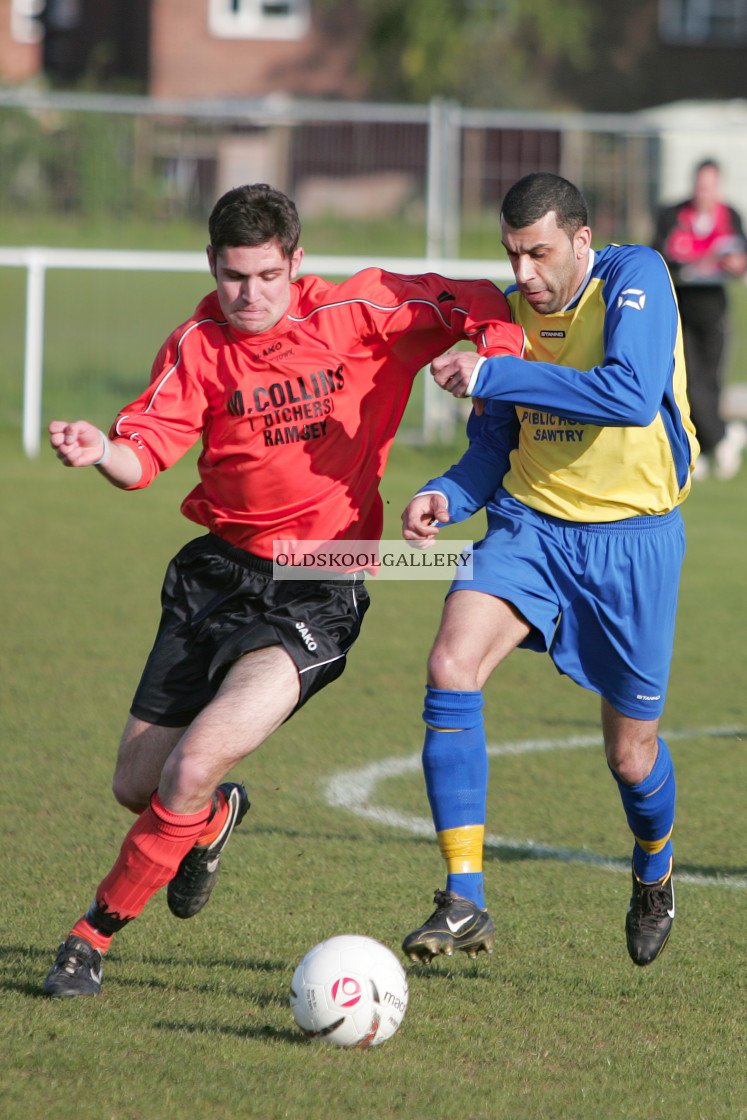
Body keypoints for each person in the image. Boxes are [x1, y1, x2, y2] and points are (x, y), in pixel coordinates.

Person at [43, 182, 525, 998]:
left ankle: (90, 938)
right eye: (235, 277)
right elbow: (143, 453)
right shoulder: (197, 343)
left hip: (318, 583)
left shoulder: (362, 310)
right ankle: (215, 818)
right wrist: (99, 450)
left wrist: (490, 359)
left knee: (190, 763)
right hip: (214, 576)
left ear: (297, 264)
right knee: (139, 785)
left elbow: (486, 303)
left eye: (268, 276)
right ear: (212, 267)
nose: (251, 295)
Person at [400, 172, 699, 969]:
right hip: (529, 528)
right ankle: (464, 896)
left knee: (631, 757)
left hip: (632, 542)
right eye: (511, 254)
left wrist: (492, 373)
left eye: (538, 253)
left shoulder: (634, 277)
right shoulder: (505, 317)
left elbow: (632, 395)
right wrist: (443, 493)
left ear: (578, 241)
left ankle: (654, 866)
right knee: (449, 663)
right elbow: (493, 447)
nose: (524, 274)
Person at [652, 159, 747, 480]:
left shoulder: (729, 215)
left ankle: (705, 447)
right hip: (681, 307)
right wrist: (692, 264)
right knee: (687, 379)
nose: (703, 191)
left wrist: (734, 263)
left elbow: (740, 255)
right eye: (699, 184)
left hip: (714, 309)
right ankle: (723, 438)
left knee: (711, 379)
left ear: (718, 187)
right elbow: (660, 255)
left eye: (710, 185)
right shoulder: (672, 214)